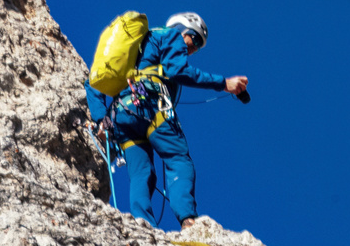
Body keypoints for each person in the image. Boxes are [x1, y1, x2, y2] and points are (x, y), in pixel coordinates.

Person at [86, 12, 248, 229]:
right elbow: (179, 70)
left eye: (199, 46)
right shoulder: (171, 36)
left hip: (121, 115)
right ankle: (188, 221)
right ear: (183, 28)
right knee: (178, 159)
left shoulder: (137, 46)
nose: (194, 48)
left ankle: (143, 226)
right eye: (195, 39)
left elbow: (94, 82)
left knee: (142, 173)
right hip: (151, 105)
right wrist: (223, 83)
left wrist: (101, 120)